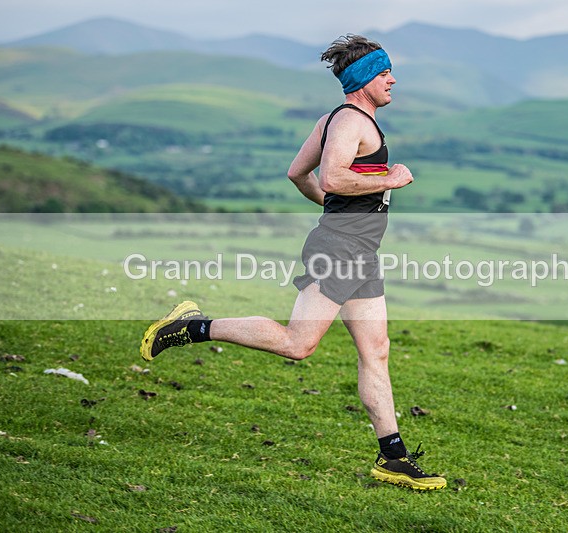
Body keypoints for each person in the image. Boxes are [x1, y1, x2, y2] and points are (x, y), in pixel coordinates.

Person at [140, 35, 446, 491]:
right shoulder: (349, 123)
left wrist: (335, 206)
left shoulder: (335, 120)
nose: (392, 80)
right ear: (364, 79)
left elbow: (296, 174)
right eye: (385, 73)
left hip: (358, 252)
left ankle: (392, 457)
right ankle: (192, 325)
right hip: (338, 251)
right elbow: (332, 175)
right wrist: (390, 178)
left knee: (376, 352)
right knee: (297, 344)